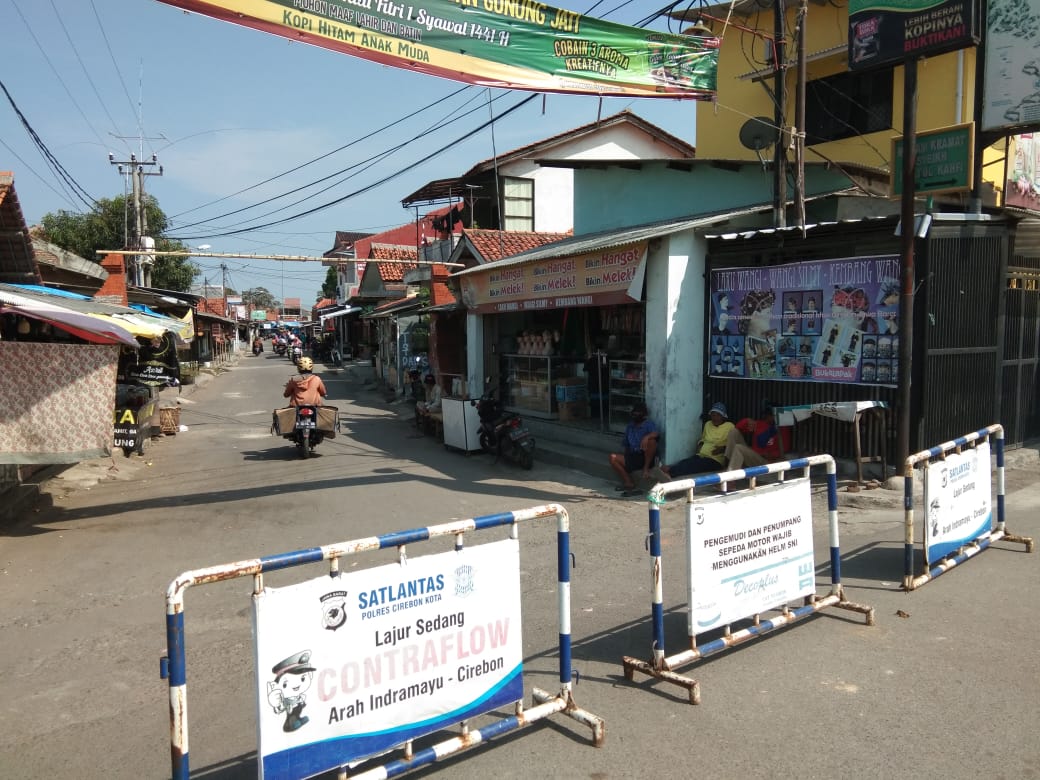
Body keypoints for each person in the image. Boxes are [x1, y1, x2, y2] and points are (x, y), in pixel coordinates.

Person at [656, 402, 735, 480]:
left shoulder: (730, 427)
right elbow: (703, 439)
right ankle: (669, 468)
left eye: (718, 415)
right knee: (686, 462)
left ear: (724, 417)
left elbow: (733, 444)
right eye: (713, 415)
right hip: (702, 454)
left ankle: (670, 473)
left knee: (694, 466)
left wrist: (723, 448)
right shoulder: (708, 424)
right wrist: (700, 444)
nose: (715, 418)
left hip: (716, 460)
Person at [608, 402, 660, 497]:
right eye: (634, 414)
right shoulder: (630, 426)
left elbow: (656, 434)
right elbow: (626, 444)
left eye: (638, 414)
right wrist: (626, 459)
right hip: (633, 456)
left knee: (652, 441)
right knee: (613, 457)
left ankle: (646, 469)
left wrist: (647, 437)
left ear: (644, 415)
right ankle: (628, 482)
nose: (636, 416)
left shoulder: (648, 424)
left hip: (645, 456)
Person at [726, 402, 790, 471]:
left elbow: (786, 448)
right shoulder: (759, 424)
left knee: (739, 448)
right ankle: (729, 463)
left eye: (772, 415)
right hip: (754, 456)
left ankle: (730, 476)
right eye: (768, 415)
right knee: (733, 432)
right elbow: (738, 427)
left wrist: (772, 454)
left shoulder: (783, 427)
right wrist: (746, 420)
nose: (769, 417)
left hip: (767, 462)